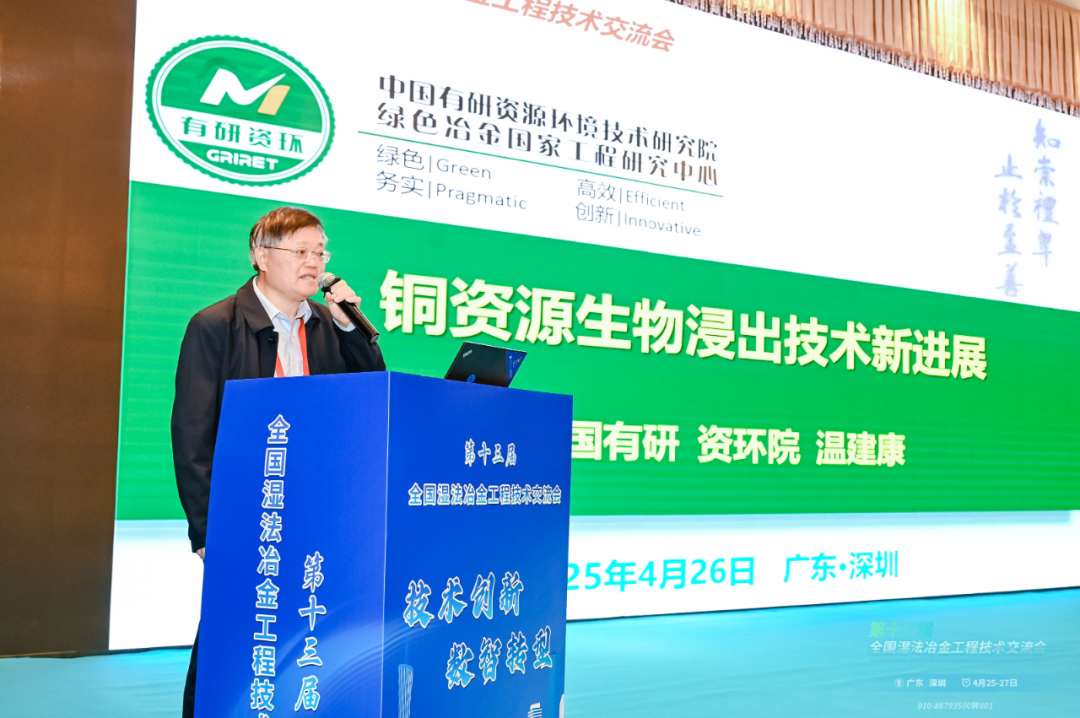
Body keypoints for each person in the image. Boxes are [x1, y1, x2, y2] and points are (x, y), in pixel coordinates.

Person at [172, 207, 386, 717]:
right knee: (230, 635)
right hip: (246, 515)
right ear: (261, 257)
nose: (315, 263)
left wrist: (350, 327)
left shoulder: (328, 326)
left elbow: (371, 390)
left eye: (321, 252)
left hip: (314, 514)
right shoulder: (216, 325)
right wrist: (206, 531)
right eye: (301, 251)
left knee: (305, 633)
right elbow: (193, 434)